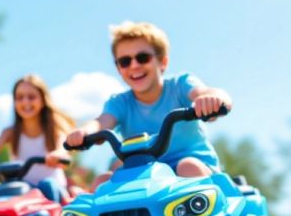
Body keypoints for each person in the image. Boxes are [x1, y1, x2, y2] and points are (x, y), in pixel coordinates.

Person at [65, 21, 232, 188]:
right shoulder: (120, 103)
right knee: (103, 182)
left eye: (142, 58)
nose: (134, 65)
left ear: (162, 62)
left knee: (188, 167)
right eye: (125, 61)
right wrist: (85, 132)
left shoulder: (180, 85)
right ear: (118, 68)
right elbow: (101, 122)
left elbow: (209, 92)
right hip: (144, 173)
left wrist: (212, 99)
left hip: (195, 169)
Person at [0, 74, 76, 202]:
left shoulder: (54, 129)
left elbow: (62, 148)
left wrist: (58, 155)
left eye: (31, 97)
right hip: (23, 189)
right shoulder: (10, 133)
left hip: (52, 190)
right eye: (20, 97)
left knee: (48, 185)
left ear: (43, 100)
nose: (25, 102)